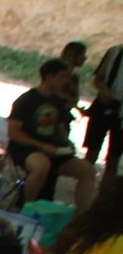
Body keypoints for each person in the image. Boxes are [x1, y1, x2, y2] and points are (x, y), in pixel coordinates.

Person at [8, 59, 98, 212]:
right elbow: (13, 132)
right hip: (25, 147)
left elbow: (61, 128)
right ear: (49, 77)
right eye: (62, 77)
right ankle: (27, 208)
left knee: (88, 170)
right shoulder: (27, 100)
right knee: (41, 166)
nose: (65, 81)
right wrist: (42, 146)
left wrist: (67, 143)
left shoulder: (57, 101)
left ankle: (82, 215)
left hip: (53, 149)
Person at [84, 42, 122, 186]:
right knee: (91, 151)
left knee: (114, 157)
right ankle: (85, 190)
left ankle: (104, 197)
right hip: (103, 103)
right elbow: (97, 78)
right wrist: (103, 89)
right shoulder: (114, 51)